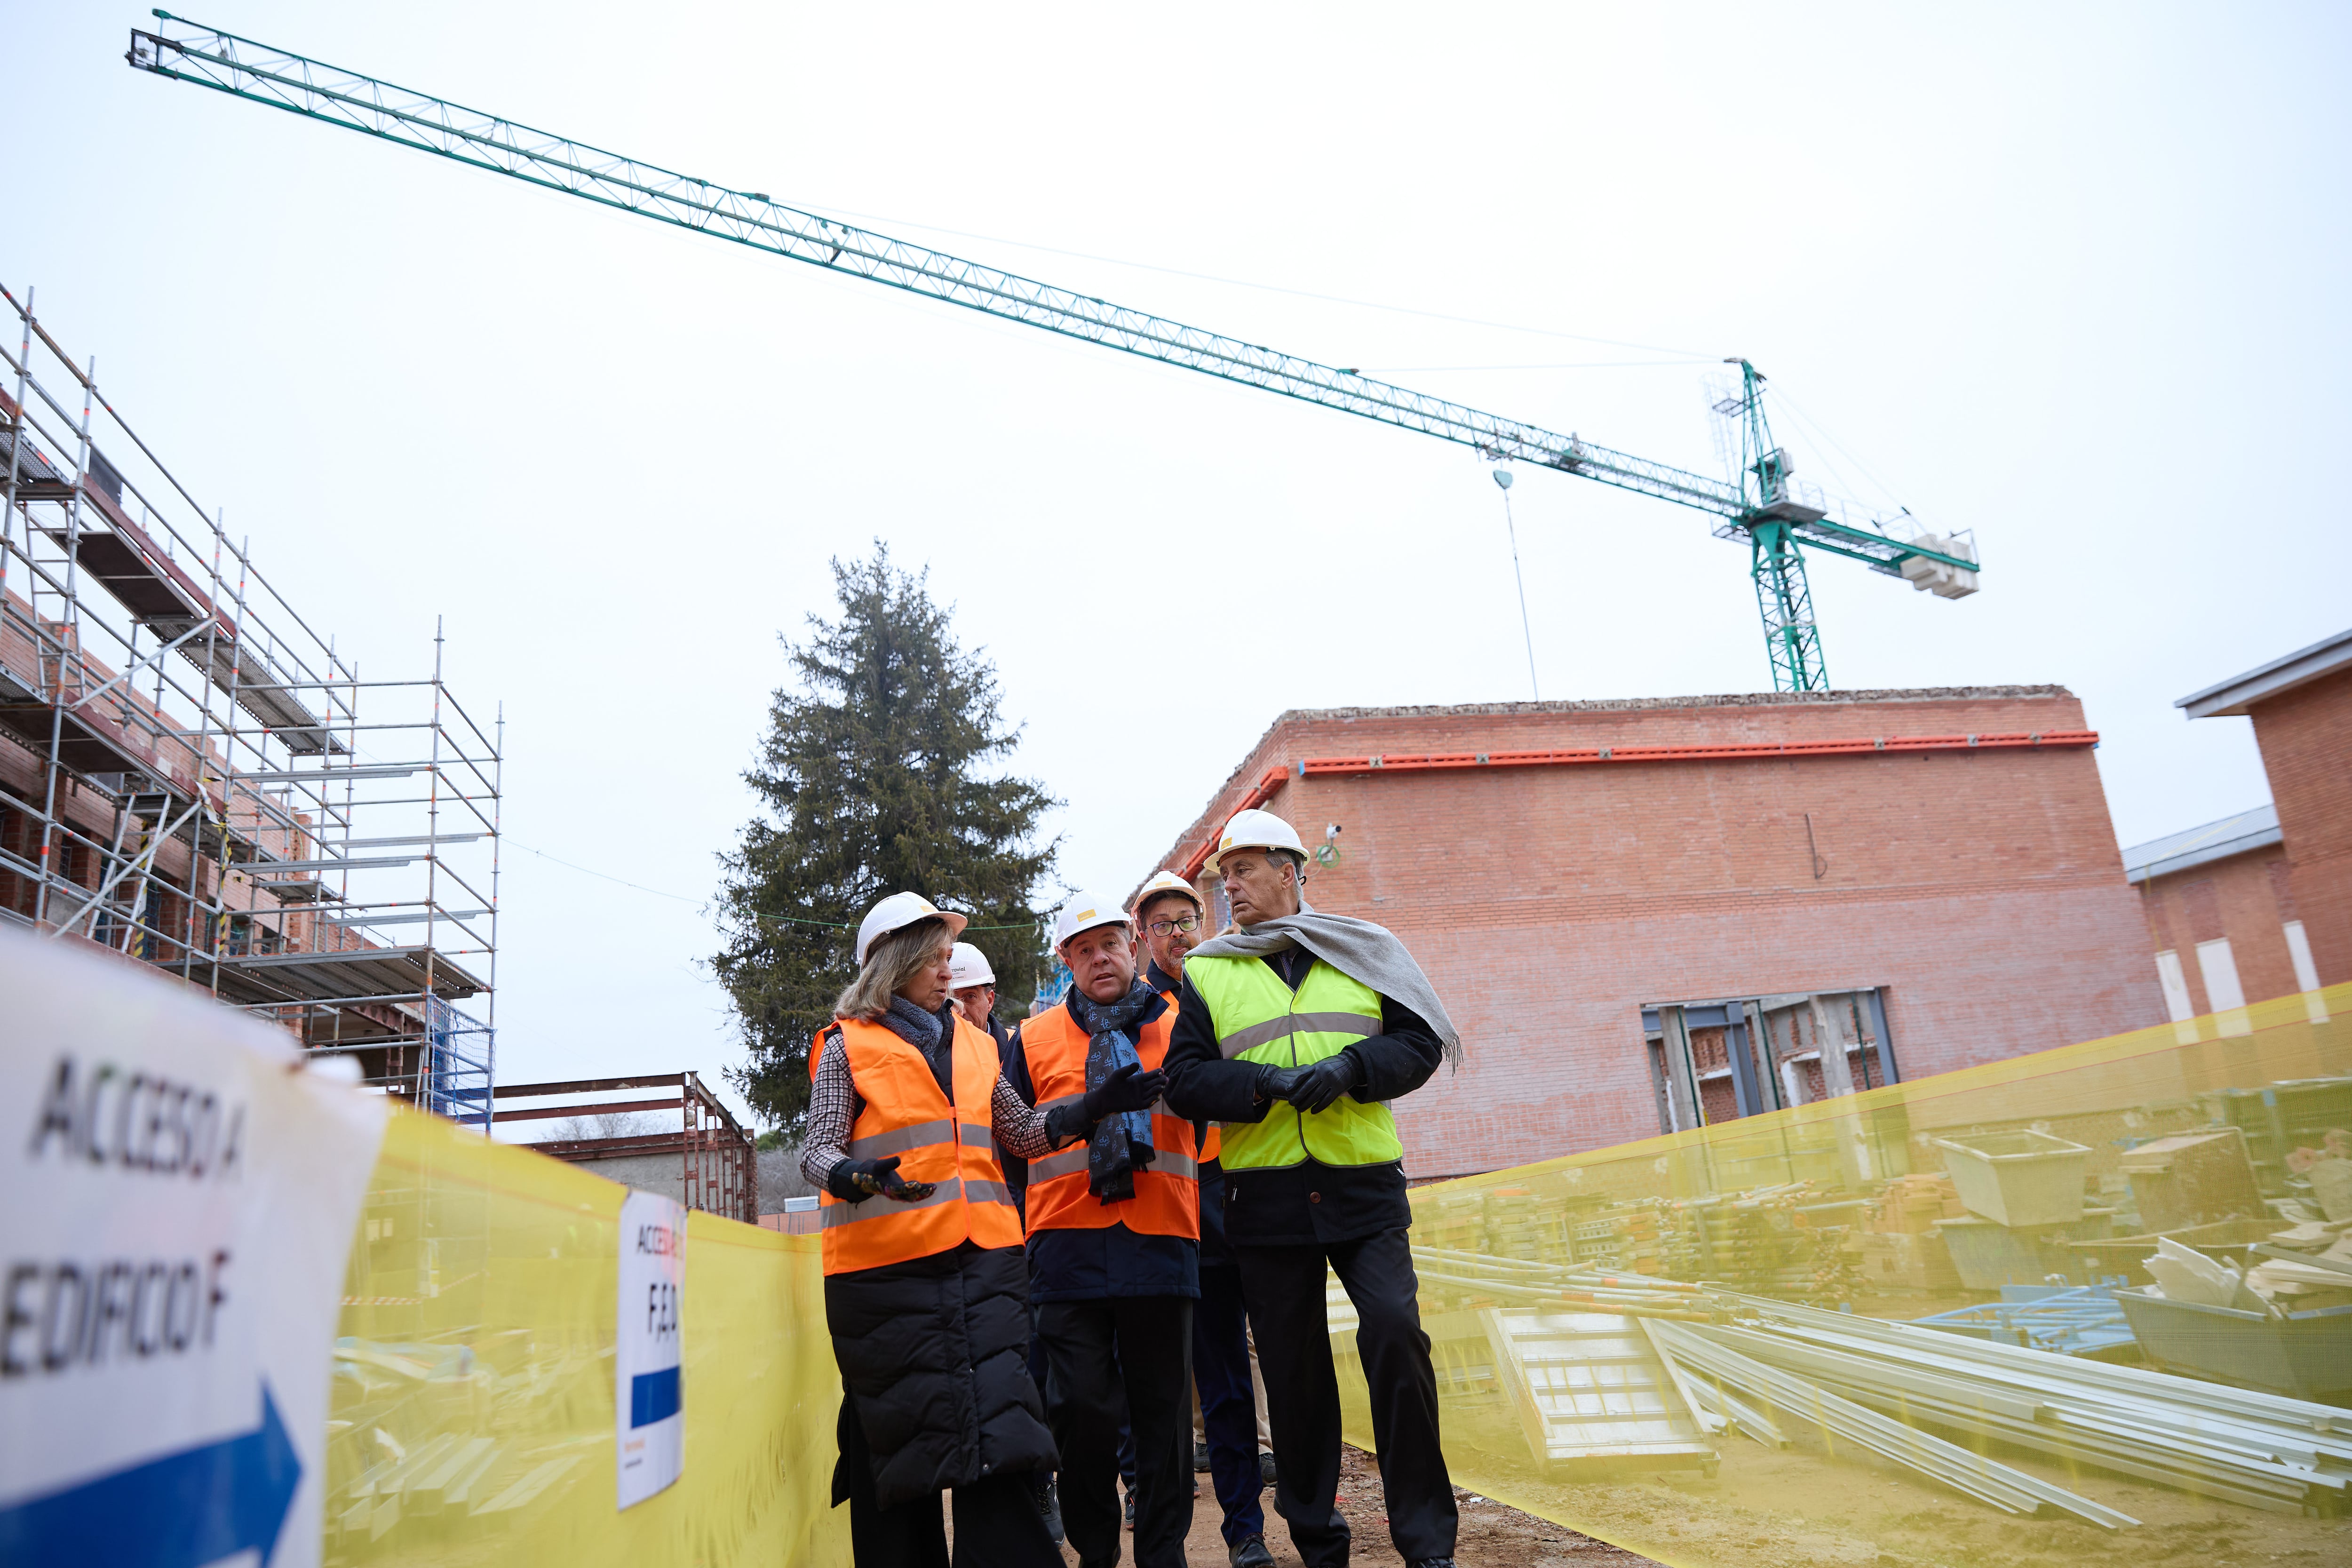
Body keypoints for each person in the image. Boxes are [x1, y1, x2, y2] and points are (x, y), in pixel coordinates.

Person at [802, 891, 1161, 1567]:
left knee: (1001, 1433)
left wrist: (1093, 1106)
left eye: (947, 958)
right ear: (892, 965)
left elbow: (1023, 1134)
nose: (948, 972)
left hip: (986, 1267)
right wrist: (858, 1175)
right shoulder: (847, 1046)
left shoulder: (976, 1044)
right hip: (886, 1280)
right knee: (901, 1444)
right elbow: (815, 1150)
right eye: (934, 961)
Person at [1162, 811, 1462, 1568]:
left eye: (1244, 870)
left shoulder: (1366, 950)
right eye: (1225, 874)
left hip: (1363, 1191)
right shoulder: (1210, 969)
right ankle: (1320, 1543)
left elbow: (1420, 1044)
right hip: (1265, 1203)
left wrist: (1350, 1070)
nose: (1229, 886)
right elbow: (1187, 1079)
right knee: (1294, 1376)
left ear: (1291, 871)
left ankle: (1427, 1542)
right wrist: (1264, 1084)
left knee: (1396, 1336)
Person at [1004, 893, 1200, 1568]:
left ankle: (1163, 1549)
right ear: (1066, 961)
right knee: (1079, 1409)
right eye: (1083, 949)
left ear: (1134, 947)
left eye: (1110, 944)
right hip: (1066, 1247)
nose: (1099, 958)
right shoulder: (1031, 1041)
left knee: (1164, 1414)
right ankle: (1095, 1547)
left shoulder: (1181, 1024)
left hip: (1160, 1237)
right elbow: (1012, 1143)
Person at [1132, 869, 1273, 1568]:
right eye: (1162, 923)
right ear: (1143, 937)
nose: (1178, 932)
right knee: (1219, 1379)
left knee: (1288, 1361)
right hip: (1196, 1199)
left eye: (1186, 918)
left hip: (1265, 1187)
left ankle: (1313, 1497)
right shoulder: (1133, 1014)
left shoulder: (1233, 981)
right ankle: (1244, 1530)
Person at [950, 941, 1009, 1048]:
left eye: (970, 996)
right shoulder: (928, 1057)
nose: (960, 1011)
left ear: (990, 1001)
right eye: (951, 1001)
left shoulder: (1015, 1049)